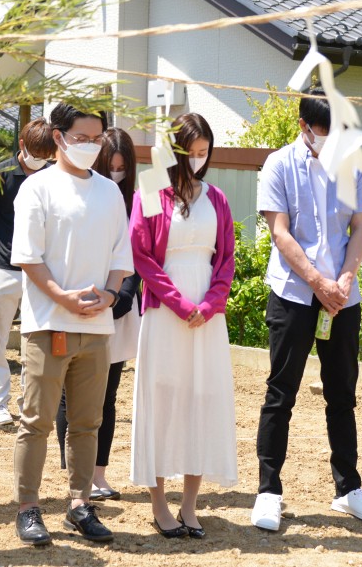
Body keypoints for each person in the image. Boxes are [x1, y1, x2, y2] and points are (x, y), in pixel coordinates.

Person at [251, 88, 362, 530]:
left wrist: (345, 280)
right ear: (304, 128)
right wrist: (317, 281)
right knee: (281, 392)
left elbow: (361, 226)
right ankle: (269, 490)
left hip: (342, 297)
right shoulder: (278, 164)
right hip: (294, 291)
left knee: (342, 394)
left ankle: (348, 489)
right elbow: (280, 232)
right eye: (324, 133)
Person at [8, 103, 133, 546]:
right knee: (37, 419)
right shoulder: (37, 188)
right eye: (83, 137)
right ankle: (28, 507)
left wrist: (111, 294)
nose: (92, 145)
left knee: (87, 421)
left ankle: (80, 503)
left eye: (97, 138)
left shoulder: (109, 193)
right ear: (58, 137)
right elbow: (27, 256)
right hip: (47, 323)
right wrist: (61, 296)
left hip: (97, 325)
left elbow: (122, 256)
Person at [129, 113, 237, 539]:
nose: (198, 160)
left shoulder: (219, 199)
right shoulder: (152, 192)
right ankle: (158, 504)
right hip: (164, 311)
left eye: (204, 153)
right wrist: (179, 303)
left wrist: (209, 305)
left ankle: (190, 505)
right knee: (161, 400)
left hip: (206, 320)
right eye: (191, 153)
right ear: (175, 152)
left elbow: (225, 260)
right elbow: (142, 257)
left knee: (201, 399)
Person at [55, 127, 142, 500]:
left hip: (119, 307)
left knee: (107, 395)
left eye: (123, 168)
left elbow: (142, 253)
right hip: (77, 302)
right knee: (68, 394)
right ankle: (76, 471)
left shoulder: (140, 199)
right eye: (112, 166)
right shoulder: (78, 192)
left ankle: (98, 473)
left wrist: (120, 296)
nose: (117, 174)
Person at [0, 117, 54, 426]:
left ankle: (28, 403)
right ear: (22, 145)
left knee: (34, 344)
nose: (40, 160)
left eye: (47, 154)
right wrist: (4, 252)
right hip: (4, 269)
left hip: (41, 272)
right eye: (36, 152)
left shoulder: (52, 178)